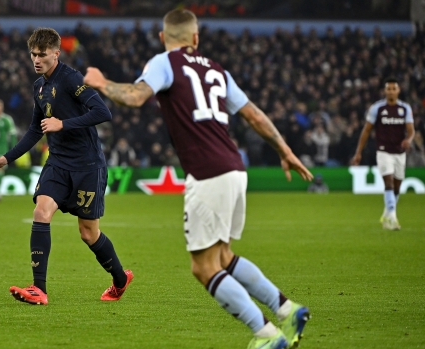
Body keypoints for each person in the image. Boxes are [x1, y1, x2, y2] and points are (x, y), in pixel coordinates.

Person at [84, 9, 313, 349]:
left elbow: (135, 96)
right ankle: (288, 310)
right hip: (235, 168)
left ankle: (266, 335)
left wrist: (102, 84)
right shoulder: (217, 70)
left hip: (208, 172)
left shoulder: (165, 62)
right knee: (223, 257)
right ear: (196, 38)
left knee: (203, 267)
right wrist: (284, 149)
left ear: (163, 38)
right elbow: (252, 114)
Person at [0, 28, 133, 306]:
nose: (36, 59)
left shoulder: (71, 79)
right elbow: (34, 130)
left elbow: (102, 112)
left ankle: (120, 279)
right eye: (33, 54)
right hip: (58, 163)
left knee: (88, 233)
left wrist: (64, 123)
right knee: (41, 210)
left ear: (56, 54)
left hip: (88, 165)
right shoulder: (39, 86)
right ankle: (39, 288)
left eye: (42, 54)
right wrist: (5, 158)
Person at [351, 78, 414, 230]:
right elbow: (366, 130)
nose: (391, 91)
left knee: (397, 187)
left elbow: (411, 130)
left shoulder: (405, 108)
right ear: (385, 91)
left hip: (399, 153)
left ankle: (386, 215)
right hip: (384, 152)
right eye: (388, 89)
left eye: (394, 88)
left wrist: (409, 140)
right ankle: (393, 218)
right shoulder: (377, 108)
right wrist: (358, 152)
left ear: (398, 91)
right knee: (389, 183)